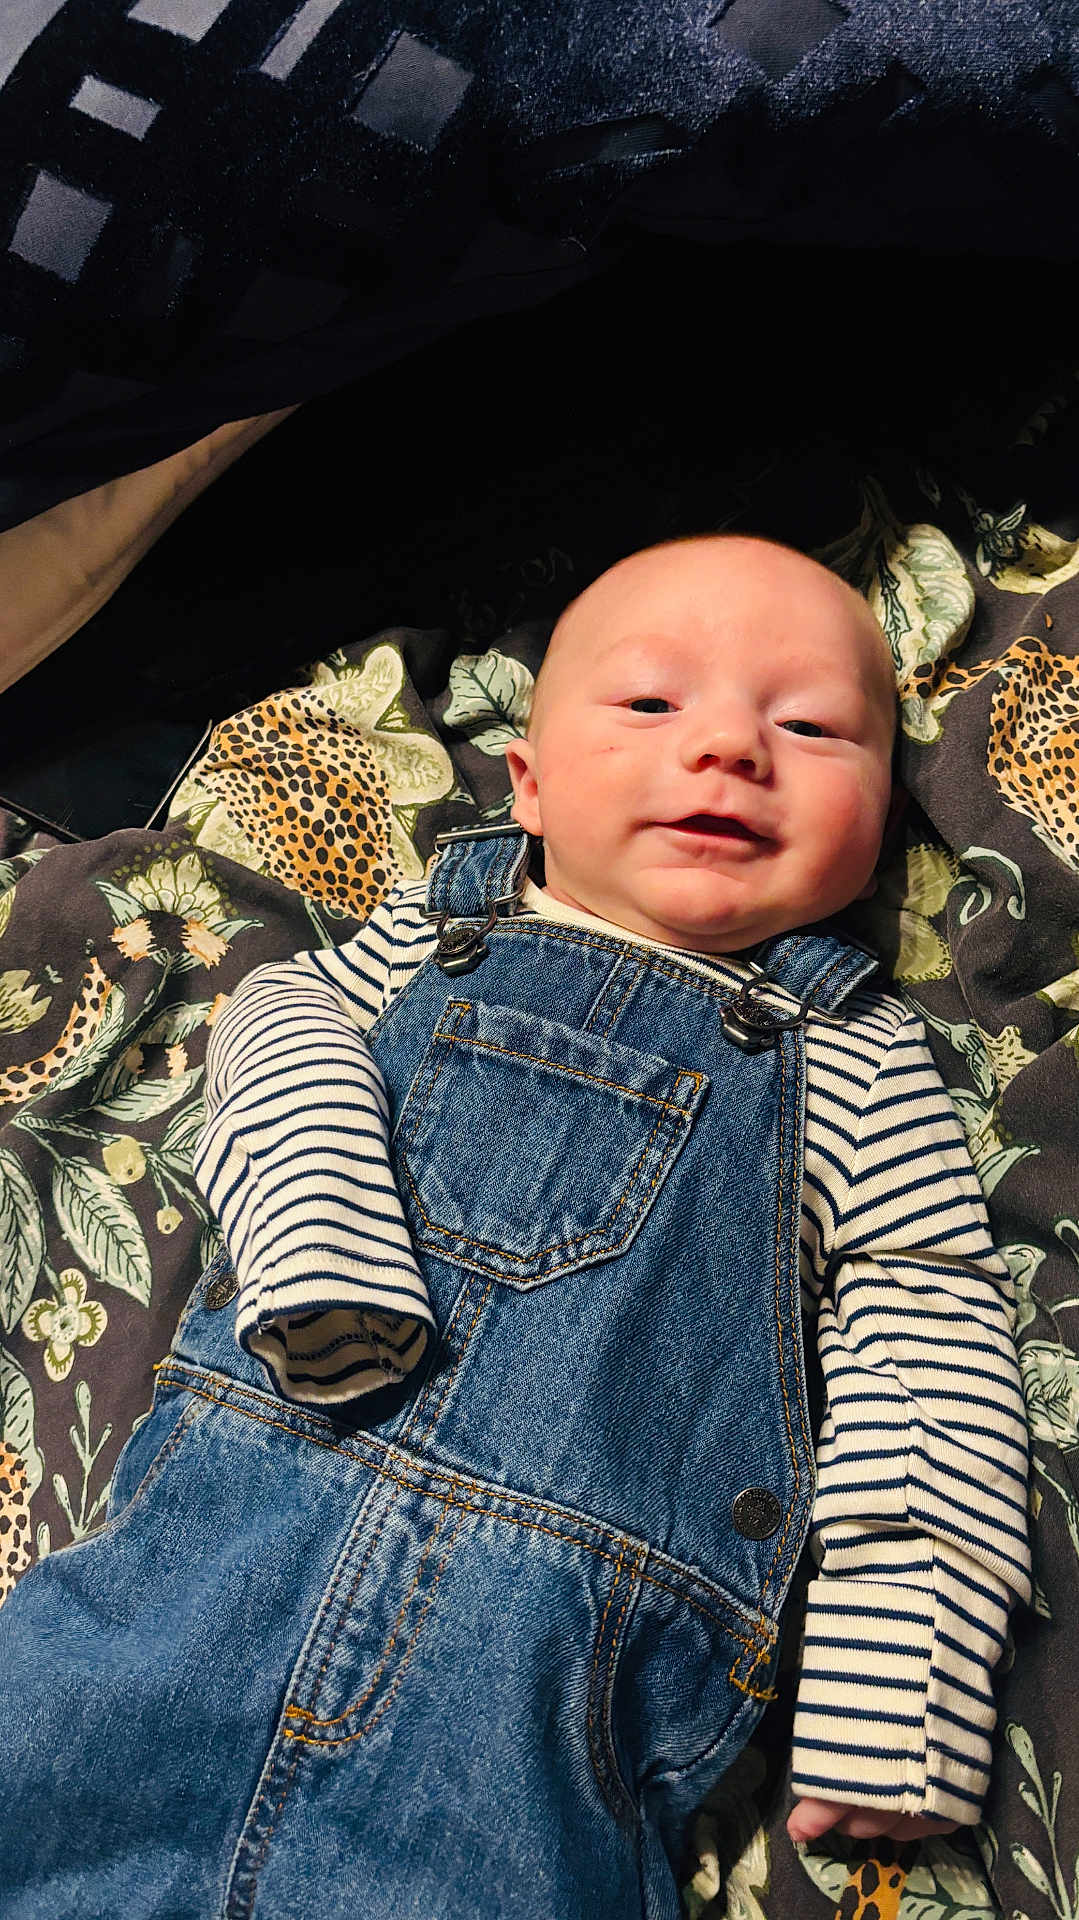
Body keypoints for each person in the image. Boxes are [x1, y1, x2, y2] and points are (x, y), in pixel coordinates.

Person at [0, 536, 1030, 1919]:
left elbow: (933, 1339)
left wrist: (906, 1681)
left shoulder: (860, 1064)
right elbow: (271, 1021)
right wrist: (320, 1242)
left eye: (811, 726)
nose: (730, 744)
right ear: (529, 787)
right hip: (189, 1587)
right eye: (654, 706)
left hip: (545, 1695)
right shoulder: (419, 935)